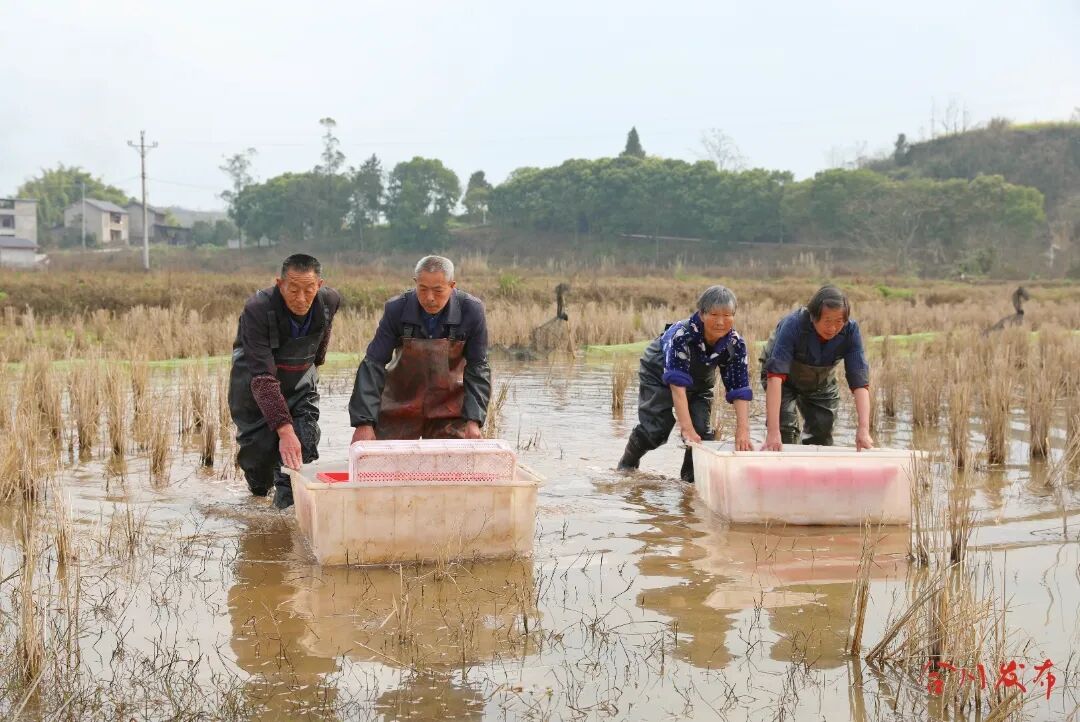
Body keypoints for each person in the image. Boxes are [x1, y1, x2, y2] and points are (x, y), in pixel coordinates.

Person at [228, 254, 341, 509]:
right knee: (259, 464)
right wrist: (284, 429)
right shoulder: (257, 308)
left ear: (319, 285)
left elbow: (322, 337)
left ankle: (286, 517)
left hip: (300, 384)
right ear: (280, 284)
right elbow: (263, 378)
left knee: (303, 446)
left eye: (309, 290)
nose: (301, 299)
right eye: (293, 290)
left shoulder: (329, 301)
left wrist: (315, 365)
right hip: (255, 387)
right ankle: (259, 501)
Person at [617, 285, 753, 482]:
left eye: (727, 315)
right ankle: (626, 466)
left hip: (700, 381)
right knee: (656, 430)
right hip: (659, 373)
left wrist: (743, 430)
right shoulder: (681, 335)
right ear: (702, 314)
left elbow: (739, 388)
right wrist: (686, 428)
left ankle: (689, 483)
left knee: (702, 434)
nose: (720, 322)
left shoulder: (735, 344)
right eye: (714, 315)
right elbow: (677, 386)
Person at [349, 255, 491, 441]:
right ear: (415, 283)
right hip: (400, 405)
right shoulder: (396, 309)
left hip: (448, 409)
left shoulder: (471, 310)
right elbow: (373, 364)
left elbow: (478, 367)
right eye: (422, 289)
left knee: (454, 457)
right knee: (382, 455)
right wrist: (364, 422)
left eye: (438, 290)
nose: (429, 298)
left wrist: (474, 420)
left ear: (452, 285)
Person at [760, 285, 873, 451]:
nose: (832, 328)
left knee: (822, 430)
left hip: (820, 381)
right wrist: (773, 432)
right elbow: (775, 377)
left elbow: (859, 382)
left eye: (839, 322)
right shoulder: (793, 324)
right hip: (781, 380)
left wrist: (863, 429)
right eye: (827, 321)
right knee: (785, 429)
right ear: (813, 316)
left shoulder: (850, 332)